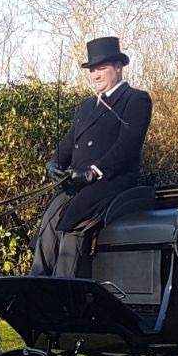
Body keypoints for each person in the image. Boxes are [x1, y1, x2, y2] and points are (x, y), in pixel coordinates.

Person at [30, 36, 153, 277]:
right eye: (92, 70)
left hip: (111, 181)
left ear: (118, 67)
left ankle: (66, 289)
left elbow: (128, 145)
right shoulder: (86, 107)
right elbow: (68, 143)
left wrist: (94, 171)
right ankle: (39, 283)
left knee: (74, 224)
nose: (95, 75)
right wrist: (54, 163)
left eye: (101, 69)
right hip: (77, 183)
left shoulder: (135, 99)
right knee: (49, 222)